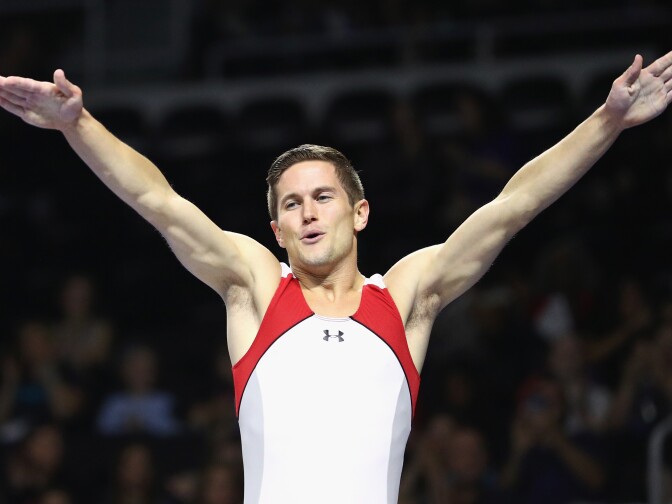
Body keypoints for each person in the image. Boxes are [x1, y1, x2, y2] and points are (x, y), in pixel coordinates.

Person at [0, 51, 670, 503]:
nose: (308, 213)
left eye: (322, 197)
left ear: (359, 212)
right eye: (291, 204)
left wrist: (606, 121)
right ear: (277, 232)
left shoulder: (406, 298)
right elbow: (159, 202)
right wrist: (78, 124)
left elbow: (513, 207)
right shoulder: (256, 290)